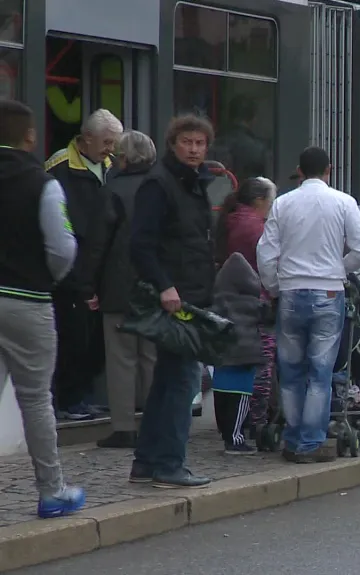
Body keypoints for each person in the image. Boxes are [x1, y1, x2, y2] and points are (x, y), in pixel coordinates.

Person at [257, 146, 360, 463]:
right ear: (329, 170)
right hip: (329, 294)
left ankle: (293, 439)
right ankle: (311, 444)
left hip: (291, 293)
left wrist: (275, 287)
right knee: (321, 373)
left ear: (299, 171)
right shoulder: (344, 202)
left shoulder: (282, 204)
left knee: (291, 371)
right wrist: (339, 269)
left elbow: (265, 253)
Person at [0, 99, 85, 517]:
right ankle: (52, 492)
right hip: (27, 299)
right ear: (30, 136)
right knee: (35, 399)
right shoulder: (43, 183)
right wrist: (46, 277)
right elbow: (62, 248)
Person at [129, 114, 217, 489]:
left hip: (192, 293)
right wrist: (165, 286)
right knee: (183, 381)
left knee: (168, 380)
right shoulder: (159, 183)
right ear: (172, 144)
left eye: (200, 143)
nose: (194, 149)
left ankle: (148, 462)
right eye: (187, 142)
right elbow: (140, 243)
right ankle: (169, 464)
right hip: (176, 296)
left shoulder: (194, 183)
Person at [45, 108, 124, 420]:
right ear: (87, 138)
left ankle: (85, 395)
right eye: (106, 142)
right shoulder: (59, 167)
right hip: (73, 267)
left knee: (96, 339)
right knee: (73, 336)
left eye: (114, 143)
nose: (110, 149)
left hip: (103, 267)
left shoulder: (112, 166)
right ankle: (69, 400)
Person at [85, 130, 158, 449]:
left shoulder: (111, 191)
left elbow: (97, 244)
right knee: (151, 357)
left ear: (124, 159)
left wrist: (88, 285)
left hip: (118, 287)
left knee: (121, 358)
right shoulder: (162, 189)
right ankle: (156, 421)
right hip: (157, 286)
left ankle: (124, 427)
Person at [214, 177, 277, 430]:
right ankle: (255, 422)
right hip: (254, 302)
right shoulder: (254, 228)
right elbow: (270, 261)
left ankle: (234, 422)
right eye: (270, 202)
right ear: (259, 200)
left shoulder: (231, 219)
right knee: (261, 362)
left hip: (229, 301)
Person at [210, 253, 270, 455]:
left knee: (221, 399)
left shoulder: (216, 302)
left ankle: (226, 434)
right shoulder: (253, 304)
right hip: (245, 359)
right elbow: (269, 317)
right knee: (240, 401)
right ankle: (236, 439)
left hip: (222, 359)